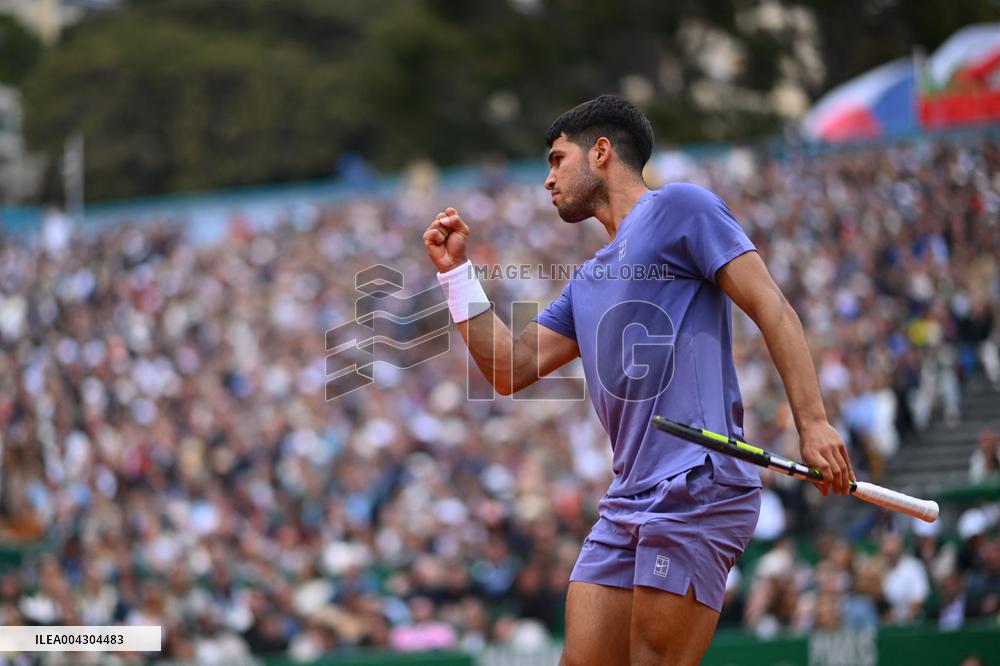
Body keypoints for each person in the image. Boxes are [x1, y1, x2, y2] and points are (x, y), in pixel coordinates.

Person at [422, 95, 855, 665]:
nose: (548, 180)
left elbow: (771, 307)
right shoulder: (587, 280)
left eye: (557, 160)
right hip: (627, 499)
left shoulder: (681, 206)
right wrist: (457, 275)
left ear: (601, 152)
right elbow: (509, 368)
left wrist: (814, 423)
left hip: (697, 483)